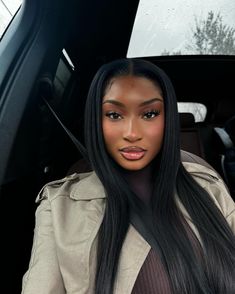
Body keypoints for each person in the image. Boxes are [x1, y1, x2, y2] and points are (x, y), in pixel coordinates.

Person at [22, 58, 235, 294]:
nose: (132, 133)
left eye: (150, 114)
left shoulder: (207, 186)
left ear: (168, 120)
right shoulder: (59, 206)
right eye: (114, 115)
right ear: (96, 120)